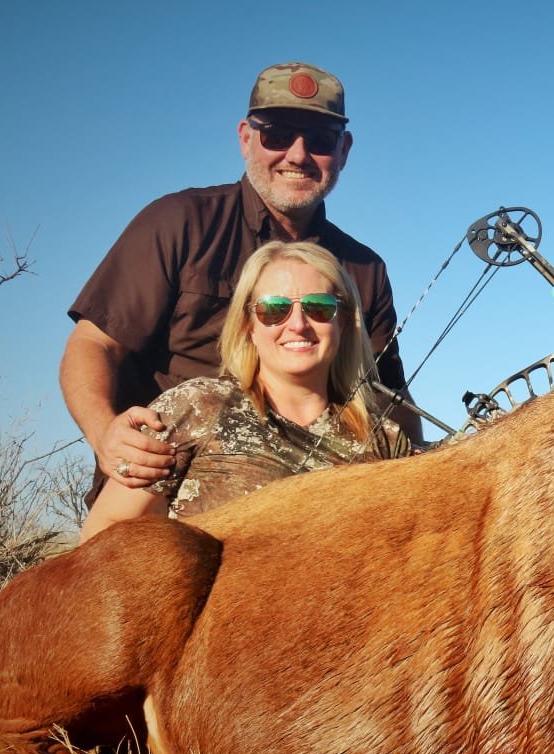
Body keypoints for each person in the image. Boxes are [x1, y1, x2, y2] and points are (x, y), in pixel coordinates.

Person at [61, 61, 421, 506]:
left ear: (344, 150)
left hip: (320, 504)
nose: (297, 154)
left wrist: (422, 473)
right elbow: (93, 344)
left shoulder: (365, 268)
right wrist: (105, 435)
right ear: (246, 138)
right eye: (277, 134)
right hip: (166, 488)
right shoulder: (179, 222)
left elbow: (389, 395)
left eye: (322, 140)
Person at [79, 241, 410, 542]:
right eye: (274, 309)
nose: (298, 324)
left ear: (343, 322)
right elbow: (104, 532)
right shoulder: (195, 405)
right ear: (249, 324)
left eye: (319, 307)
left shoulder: (387, 441)